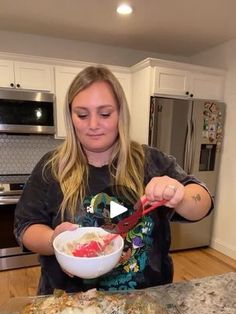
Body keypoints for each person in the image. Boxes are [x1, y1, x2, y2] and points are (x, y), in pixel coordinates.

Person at [14, 65, 213, 294]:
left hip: (145, 301)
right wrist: (54, 242)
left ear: (120, 113)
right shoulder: (51, 168)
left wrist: (179, 194)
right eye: (82, 114)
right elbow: (25, 227)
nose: (93, 125)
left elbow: (202, 203)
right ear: (70, 117)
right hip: (67, 304)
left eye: (105, 113)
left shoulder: (151, 161)